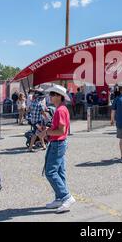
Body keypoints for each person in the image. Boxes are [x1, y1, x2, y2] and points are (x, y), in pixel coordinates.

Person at [41, 85, 75, 213]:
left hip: (58, 143)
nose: (50, 96)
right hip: (59, 143)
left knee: (50, 172)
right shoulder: (61, 109)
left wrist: (47, 132)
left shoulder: (60, 110)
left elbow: (60, 130)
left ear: (59, 96)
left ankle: (66, 197)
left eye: (53, 94)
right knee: (60, 172)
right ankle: (60, 197)